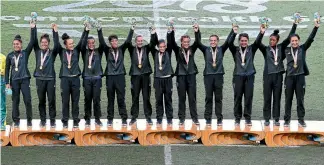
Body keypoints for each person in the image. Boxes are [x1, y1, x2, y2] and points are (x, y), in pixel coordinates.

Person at [258, 23, 297, 126]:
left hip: (278, 76)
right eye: (270, 40)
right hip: (267, 76)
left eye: (273, 40)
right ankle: (266, 118)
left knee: (277, 98)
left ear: (277, 41)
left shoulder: (281, 47)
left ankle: (276, 118)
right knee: (267, 98)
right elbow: (257, 42)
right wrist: (261, 32)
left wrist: (294, 24)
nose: (271, 41)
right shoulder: (265, 49)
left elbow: (290, 37)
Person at [195, 24, 234, 126]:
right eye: (211, 40)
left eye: (214, 40)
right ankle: (208, 119)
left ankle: (219, 118)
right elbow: (198, 43)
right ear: (209, 42)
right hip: (208, 76)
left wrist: (233, 31)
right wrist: (197, 31)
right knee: (208, 98)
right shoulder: (205, 49)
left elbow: (228, 42)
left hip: (219, 76)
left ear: (217, 41)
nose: (212, 42)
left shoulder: (221, 49)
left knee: (218, 98)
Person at [284, 21, 320, 127]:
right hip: (289, 78)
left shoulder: (303, 48)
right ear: (290, 41)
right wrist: (294, 25)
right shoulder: (286, 50)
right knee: (288, 100)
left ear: (299, 41)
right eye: (292, 41)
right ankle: (287, 120)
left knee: (300, 100)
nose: (294, 42)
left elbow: (310, 39)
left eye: (296, 40)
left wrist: (316, 27)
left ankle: (301, 120)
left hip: (300, 77)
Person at [53, 23, 88, 128]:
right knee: (65, 101)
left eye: (73, 43)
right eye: (70, 44)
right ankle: (65, 121)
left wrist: (86, 30)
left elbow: (82, 41)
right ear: (65, 45)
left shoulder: (77, 50)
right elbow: (56, 43)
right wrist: (55, 31)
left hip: (75, 79)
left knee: (75, 101)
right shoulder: (61, 51)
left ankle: (76, 120)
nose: (72, 45)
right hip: (65, 79)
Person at [98, 26, 134, 127]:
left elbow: (127, 41)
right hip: (110, 77)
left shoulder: (121, 49)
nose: (115, 42)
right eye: (113, 41)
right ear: (110, 43)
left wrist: (131, 30)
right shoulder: (107, 50)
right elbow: (101, 42)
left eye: (116, 41)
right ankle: (110, 119)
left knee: (121, 98)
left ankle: (124, 119)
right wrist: (99, 30)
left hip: (120, 77)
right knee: (110, 99)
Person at [228, 25, 263, 126]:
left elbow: (257, 42)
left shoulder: (252, 49)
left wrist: (261, 32)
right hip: (238, 76)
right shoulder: (235, 50)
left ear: (248, 41)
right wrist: (234, 33)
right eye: (242, 40)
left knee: (248, 97)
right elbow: (229, 43)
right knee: (237, 98)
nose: (243, 42)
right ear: (239, 41)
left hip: (249, 76)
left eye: (245, 40)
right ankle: (237, 118)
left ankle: (248, 118)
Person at [167, 24, 199, 125]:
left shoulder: (192, 48)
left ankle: (195, 118)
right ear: (181, 42)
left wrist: (197, 31)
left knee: (192, 98)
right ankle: (181, 119)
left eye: (188, 42)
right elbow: (171, 43)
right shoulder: (177, 50)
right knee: (182, 98)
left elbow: (197, 42)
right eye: (184, 42)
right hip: (180, 76)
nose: (186, 43)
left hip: (191, 76)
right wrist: (172, 32)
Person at [5, 22, 35, 127]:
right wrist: (7, 82)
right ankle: (16, 121)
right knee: (15, 102)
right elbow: (7, 69)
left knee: (27, 100)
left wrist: (33, 28)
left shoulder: (25, 53)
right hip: (14, 81)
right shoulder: (10, 55)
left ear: (20, 44)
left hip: (25, 80)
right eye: (14, 44)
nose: (15, 46)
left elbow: (32, 42)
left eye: (17, 44)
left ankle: (29, 120)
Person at [127, 27, 158, 126]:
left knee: (146, 97)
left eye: (141, 41)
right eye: (138, 41)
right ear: (135, 42)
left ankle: (148, 117)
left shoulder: (146, 48)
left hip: (145, 76)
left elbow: (153, 43)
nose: (140, 42)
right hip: (135, 76)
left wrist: (153, 33)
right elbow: (127, 42)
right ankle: (134, 117)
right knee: (135, 97)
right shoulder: (132, 49)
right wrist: (131, 30)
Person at [33, 24, 59, 128]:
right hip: (39, 79)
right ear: (40, 43)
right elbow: (33, 41)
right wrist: (33, 27)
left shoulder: (52, 53)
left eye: (46, 42)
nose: (44, 43)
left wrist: (54, 31)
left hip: (50, 79)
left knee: (52, 100)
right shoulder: (37, 51)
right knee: (41, 100)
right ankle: (43, 120)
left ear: (48, 43)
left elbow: (57, 44)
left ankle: (52, 121)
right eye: (42, 42)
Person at [81, 25, 105, 127]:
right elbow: (82, 43)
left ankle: (97, 118)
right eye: (89, 43)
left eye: (92, 43)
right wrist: (86, 30)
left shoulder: (99, 51)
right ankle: (87, 118)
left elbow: (103, 43)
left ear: (95, 43)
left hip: (97, 78)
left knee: (96, 99)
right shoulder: (84, 51)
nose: (91, 44)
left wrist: (99, 31)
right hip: (87, 78)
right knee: (87, 99)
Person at [151, 36, 174, 125]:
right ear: (157, 47)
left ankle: (169, 119)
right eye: (160, 47)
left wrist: (170, 32)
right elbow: (152, 43)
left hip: (168, 79)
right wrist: (153, 33)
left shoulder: (168, 52)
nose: (162, 48)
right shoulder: (155, 53)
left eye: (163, 46)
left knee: (168, 100)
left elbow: (171, 42)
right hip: (158, 80)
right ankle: (159, 119)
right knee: (159, 100)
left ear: (166, 46)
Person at [0, 53, 6, 130]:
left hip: (2, 81)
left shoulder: (3, 57)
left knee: (2, 103)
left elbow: (6, 72)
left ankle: (2, 124)